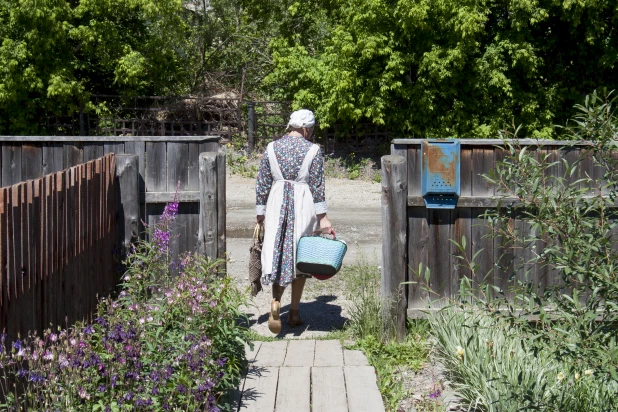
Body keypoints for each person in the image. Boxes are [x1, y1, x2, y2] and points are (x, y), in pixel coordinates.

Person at [255, 109, 332, 334]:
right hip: (302, 204)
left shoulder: (272, 147)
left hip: (276, 203)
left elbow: (262, 181)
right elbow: (317, 186)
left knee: (278, 253)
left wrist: (260, 212)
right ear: (306, 129)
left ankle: (276, 302)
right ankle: (295, 313)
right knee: (300, 257)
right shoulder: (314, 150)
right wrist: (323, 217)